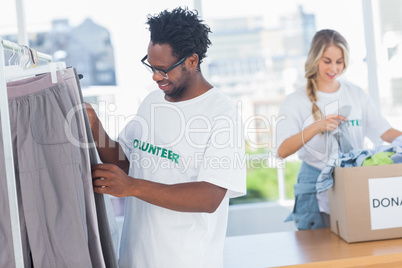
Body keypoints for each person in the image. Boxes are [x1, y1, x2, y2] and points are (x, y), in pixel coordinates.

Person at [86, 6, 246, 268]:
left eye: (163, 69)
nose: (155, 76)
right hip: (133, 259)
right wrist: (95, 127)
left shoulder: (222, 116)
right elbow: (127, 163)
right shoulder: (152, 101)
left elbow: (209, 197)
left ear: (192, 61)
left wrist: (131, 187)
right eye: (150, 66)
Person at [275, 29, 402, 230]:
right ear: (315, 58)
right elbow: (282, 150)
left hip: (352, 182)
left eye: (339, 61)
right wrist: (318, 126)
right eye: (327, 61)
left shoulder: (356, 94)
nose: (334, 68)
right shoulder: (295, 102)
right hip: (313, 190)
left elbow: (385, 131)